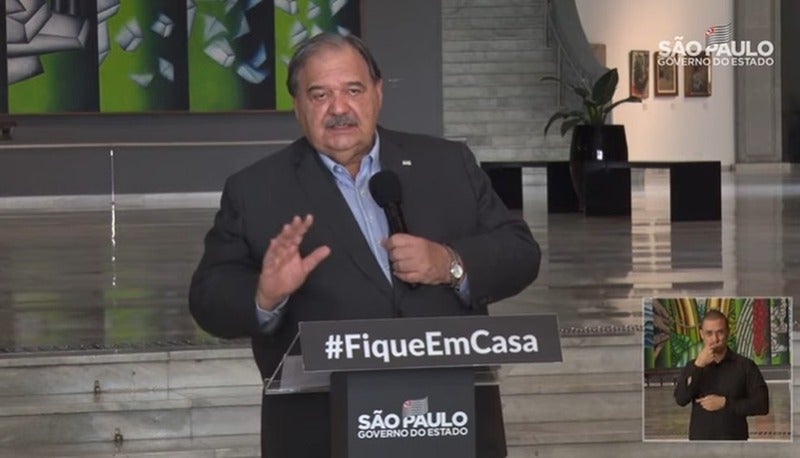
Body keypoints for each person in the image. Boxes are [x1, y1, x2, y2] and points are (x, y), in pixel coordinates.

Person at [189, 32, 540, 457]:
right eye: (320, 95)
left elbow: (520, 252)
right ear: (298, 106)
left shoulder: (448, 163)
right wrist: (264, 295)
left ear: (377, 93)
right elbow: (208, 299)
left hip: (454, 422)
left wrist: (450, 263)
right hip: (322, 433)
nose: (339, 108)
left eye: (353, 90)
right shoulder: (255, 190)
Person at [673, 309, 769, 440]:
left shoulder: (745, 366)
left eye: (720, 332)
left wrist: (725, 403)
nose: (715, 339)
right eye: (709, 333)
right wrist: (698, 365)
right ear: (701, 334)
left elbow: (762, 405)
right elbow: (681, 399)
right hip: (700, 445)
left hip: (735, 444)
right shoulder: (693, 366)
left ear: (728, 332)